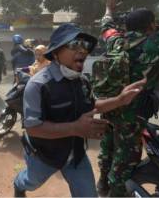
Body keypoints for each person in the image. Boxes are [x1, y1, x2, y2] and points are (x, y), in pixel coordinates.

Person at [13, 24, 146, 197]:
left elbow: (92, 106)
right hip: (44, 155)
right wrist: (75, 128)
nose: (83, 51)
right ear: (55, 52)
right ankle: (18, 184)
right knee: (30, 182)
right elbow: (32, 128)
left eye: (85, 46)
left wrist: (120, 100)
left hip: (76, 155)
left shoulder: (82, 81)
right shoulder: (38, 85)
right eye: (75, 44)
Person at [96, 0, 159, 197]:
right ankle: (116, 191)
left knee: (108, 146)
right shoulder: (154, 44)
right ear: (149, 25)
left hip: (109, 108)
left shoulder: (115, 41)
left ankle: (103, 185)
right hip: (132, 117)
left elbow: (106, 25)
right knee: (125, 160)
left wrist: (109, 10)